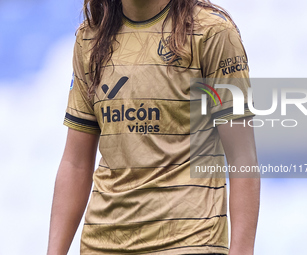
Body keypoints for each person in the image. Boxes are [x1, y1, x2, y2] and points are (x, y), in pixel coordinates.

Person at [47, 0, 260, 254]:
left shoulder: (213, 32)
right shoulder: (90, 38)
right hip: (101, 244)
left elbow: (242, 157)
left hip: (188, 243)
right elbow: (76, 162)